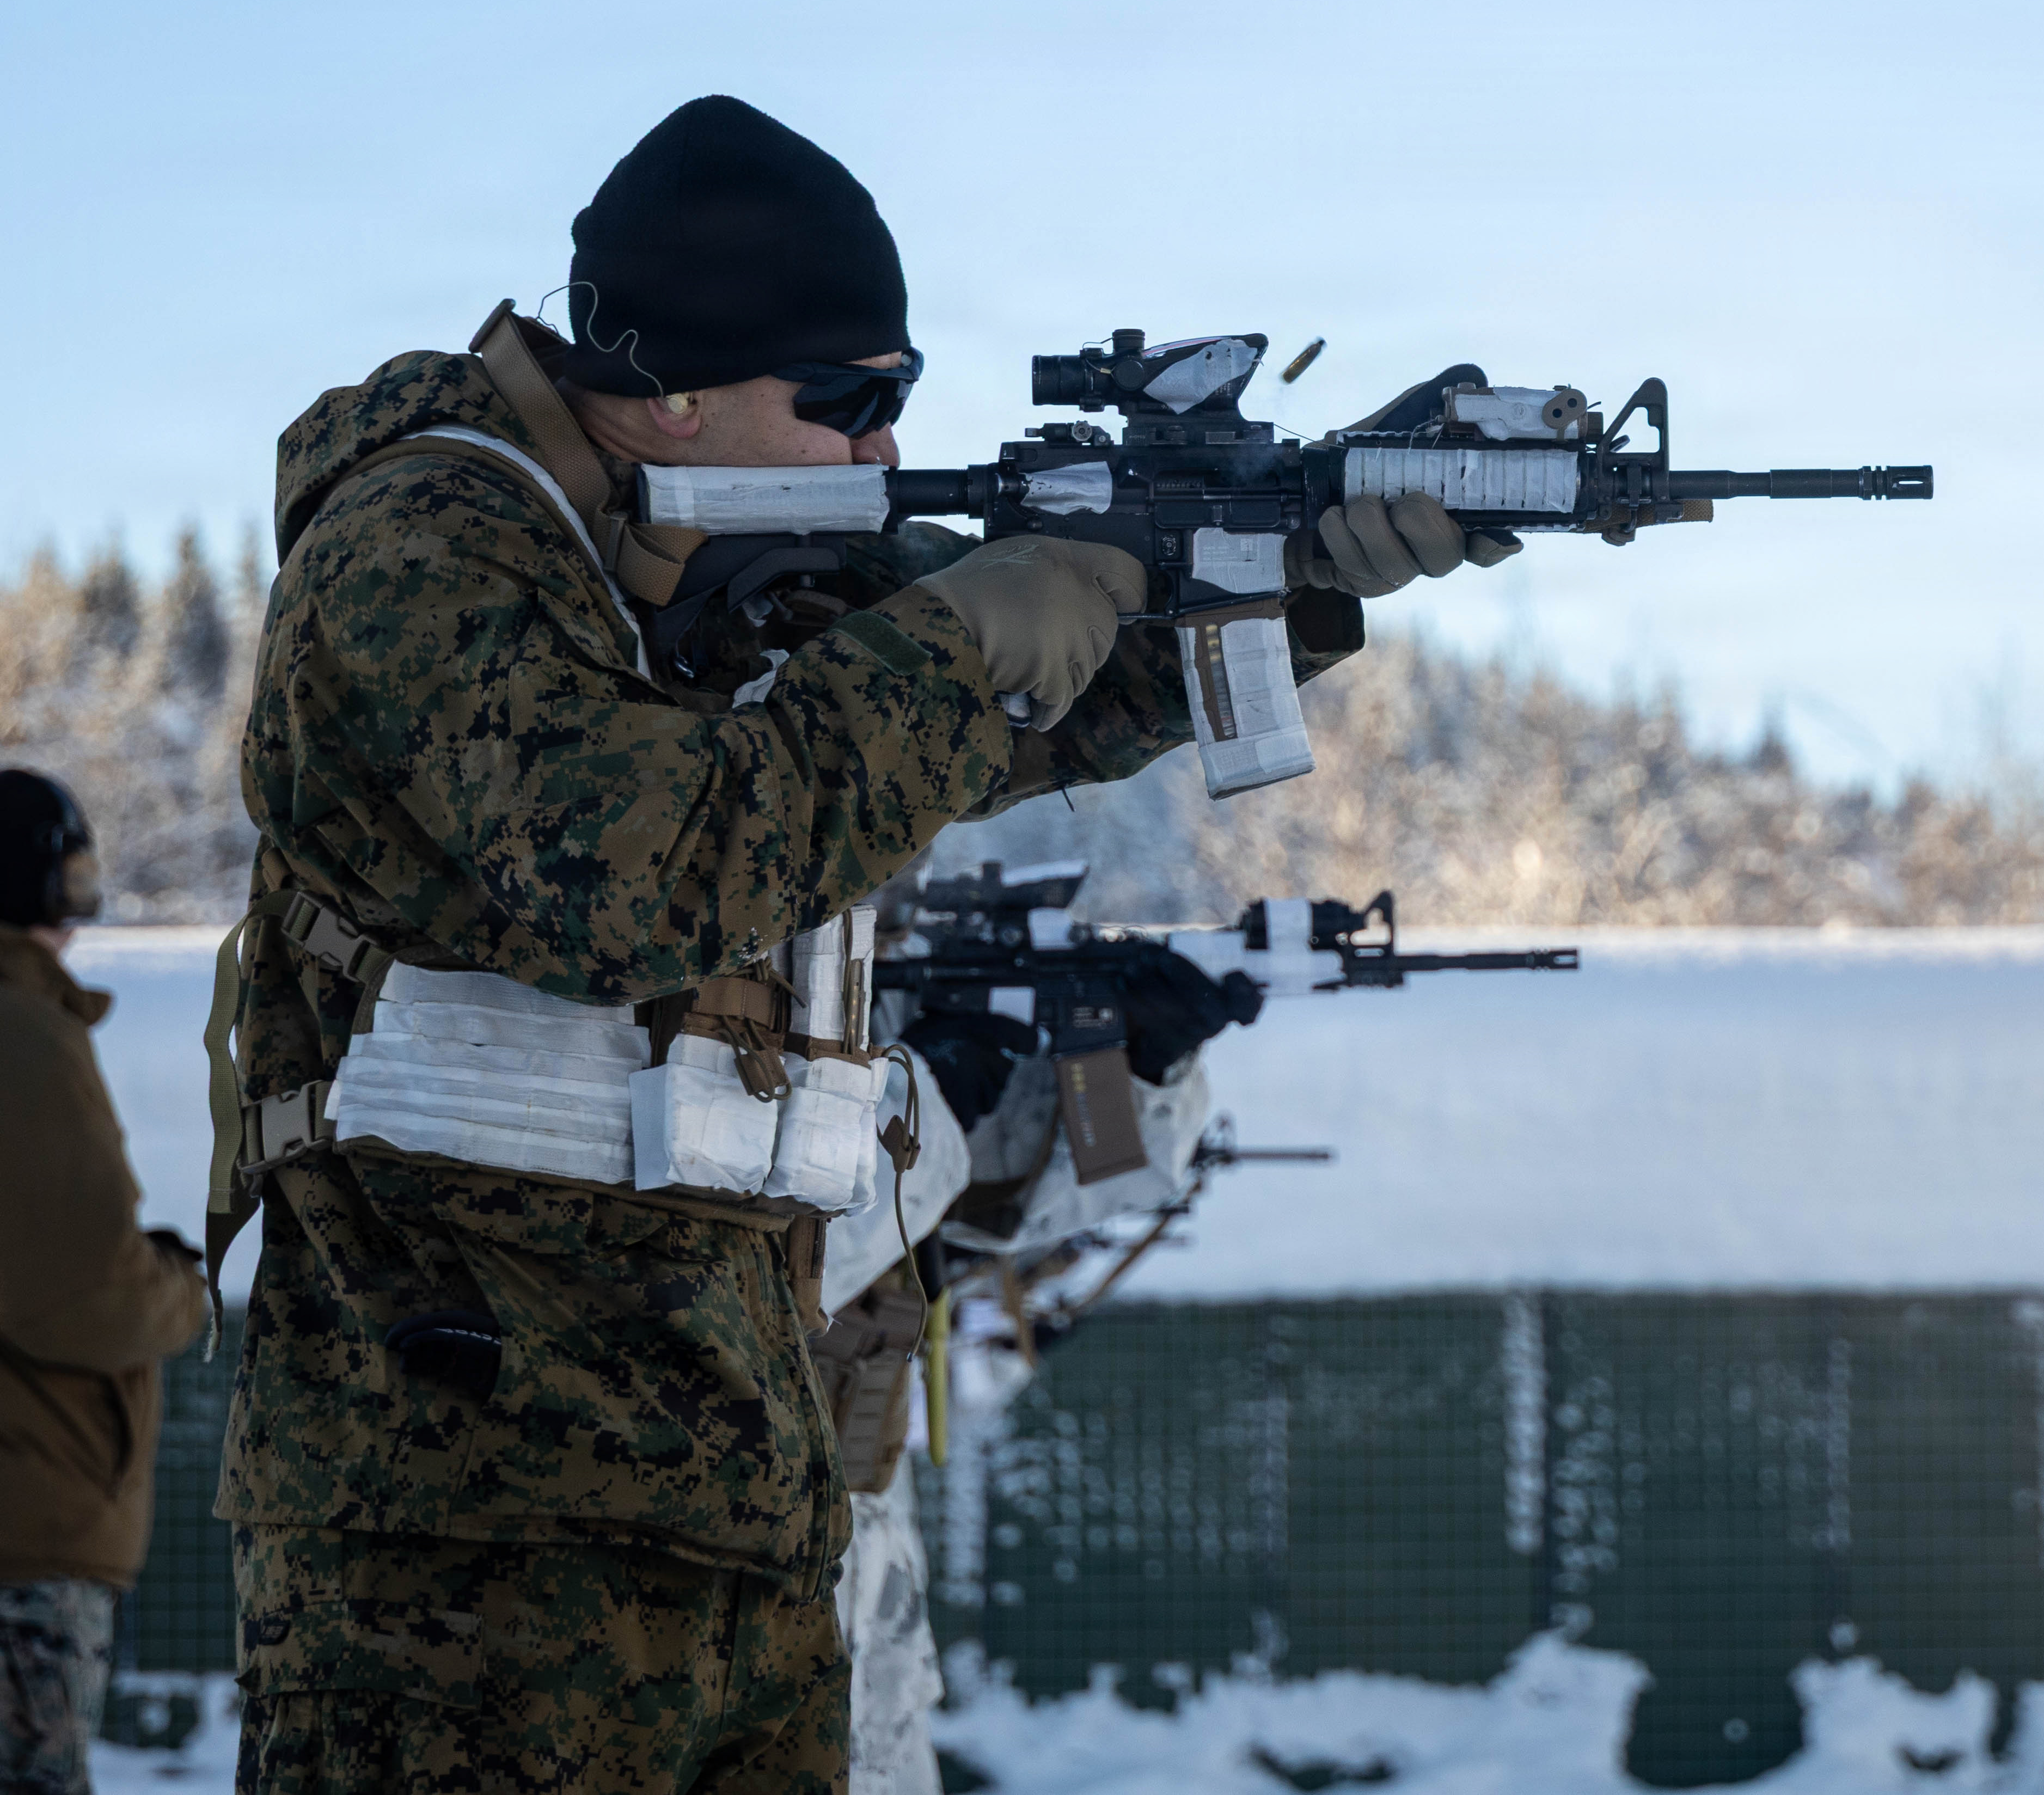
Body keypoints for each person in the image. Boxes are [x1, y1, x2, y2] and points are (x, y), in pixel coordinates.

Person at [212, 94, 1504, 1793]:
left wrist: (1288, 573)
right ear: (669, 377)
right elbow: (640, 869)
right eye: (848, 404)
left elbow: (1002, 719)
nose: (884, 452)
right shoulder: (421, 550)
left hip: (731, 1499)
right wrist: (961, 641)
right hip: (460, 1543)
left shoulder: (708, 552)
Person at [0, 769, 211, 1792]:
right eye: (67, 888)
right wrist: (182, 1284)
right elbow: (88, 1300)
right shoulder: (20, 1034)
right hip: (24, 1533)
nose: (78, 923)